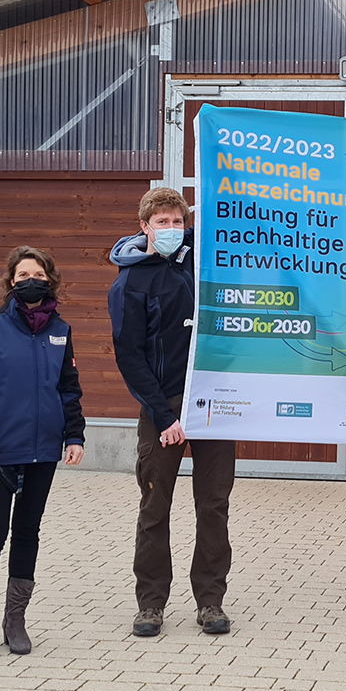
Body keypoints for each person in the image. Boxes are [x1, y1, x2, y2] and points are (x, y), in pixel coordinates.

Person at [109, 187, 237, 637]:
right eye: (160, 222)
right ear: (144, 226)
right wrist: (164, 419)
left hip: (213, 407)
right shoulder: (129, 283)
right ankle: (150, 604)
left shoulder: (200, 260)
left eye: (176, 221)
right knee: (154, 507)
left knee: (214, 506)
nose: (169, 229)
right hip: (162, 410)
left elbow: (251, 214)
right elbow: (130, 357)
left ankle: (210, 601)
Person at [0, 246, 85, 663]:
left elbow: (68, 386)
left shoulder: (61, 330)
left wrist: (74, 435)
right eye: (22, 274)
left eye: (39, 274)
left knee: (27, 533)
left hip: (43, 451)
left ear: (50, 280)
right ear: (11, 282)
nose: (31, 280)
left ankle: (15, 621)